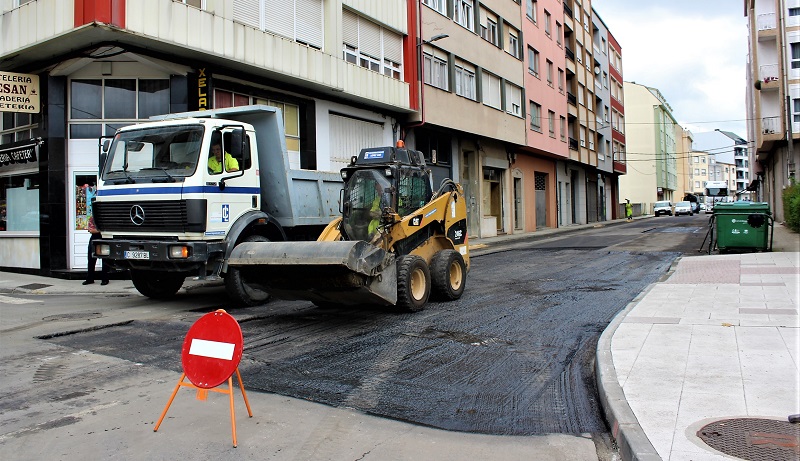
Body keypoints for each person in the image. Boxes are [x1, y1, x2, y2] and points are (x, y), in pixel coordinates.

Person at [83, 214, 109, 286]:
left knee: (105, 259)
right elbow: (91, 229)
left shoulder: (105, 218)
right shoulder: (92, 217)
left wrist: (98, 230)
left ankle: (105, 279)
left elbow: (106, 229)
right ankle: (90, 278)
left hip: (104, 237)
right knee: (91, 258)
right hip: (94, 238)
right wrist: (98, 230)